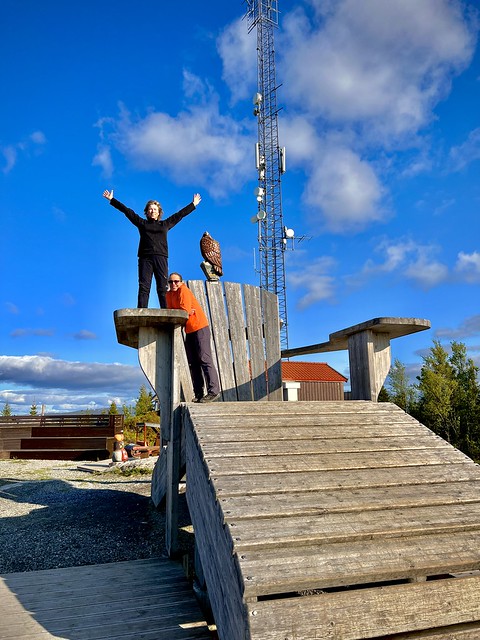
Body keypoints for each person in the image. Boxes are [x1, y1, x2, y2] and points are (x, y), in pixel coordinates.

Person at [102, 189, 202, 308]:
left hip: (161, 257)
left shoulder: (165, 224)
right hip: (145, 258)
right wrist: (112, 200)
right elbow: (127, 211)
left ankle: (166, 310)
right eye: (150, 209)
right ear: (147, 212)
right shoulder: (142, 223)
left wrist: (193, 204)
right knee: (144, 286)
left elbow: (179, 215)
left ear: (159, 212)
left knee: (162, 286)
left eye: (155, 209)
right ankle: (142, 311)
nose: (152, 211)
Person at [166, 272, 220, 403]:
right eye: (171, 282)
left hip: (200, 327)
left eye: (176, 281)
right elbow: (174, 313)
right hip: (189, 330)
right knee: (193, 363)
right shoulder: (168, 295)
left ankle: (214, 391)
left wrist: (184, 313)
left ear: (181, 282)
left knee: (204, 358)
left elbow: (183, 311)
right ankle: (199, 393)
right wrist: (184, 313)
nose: (173, 284)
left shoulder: (184, 290)